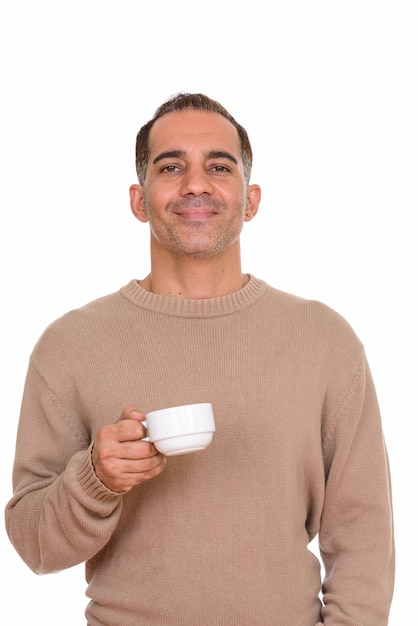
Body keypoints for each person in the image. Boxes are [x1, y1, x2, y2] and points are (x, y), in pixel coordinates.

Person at [5, 92, 395, 625]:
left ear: (251, 199)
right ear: (139, 200)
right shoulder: (69, 346)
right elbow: (34, 545)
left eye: (218, 165)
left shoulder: (324, 340)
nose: (195, 183)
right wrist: (97, 477)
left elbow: (364, 536)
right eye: (171, 166)